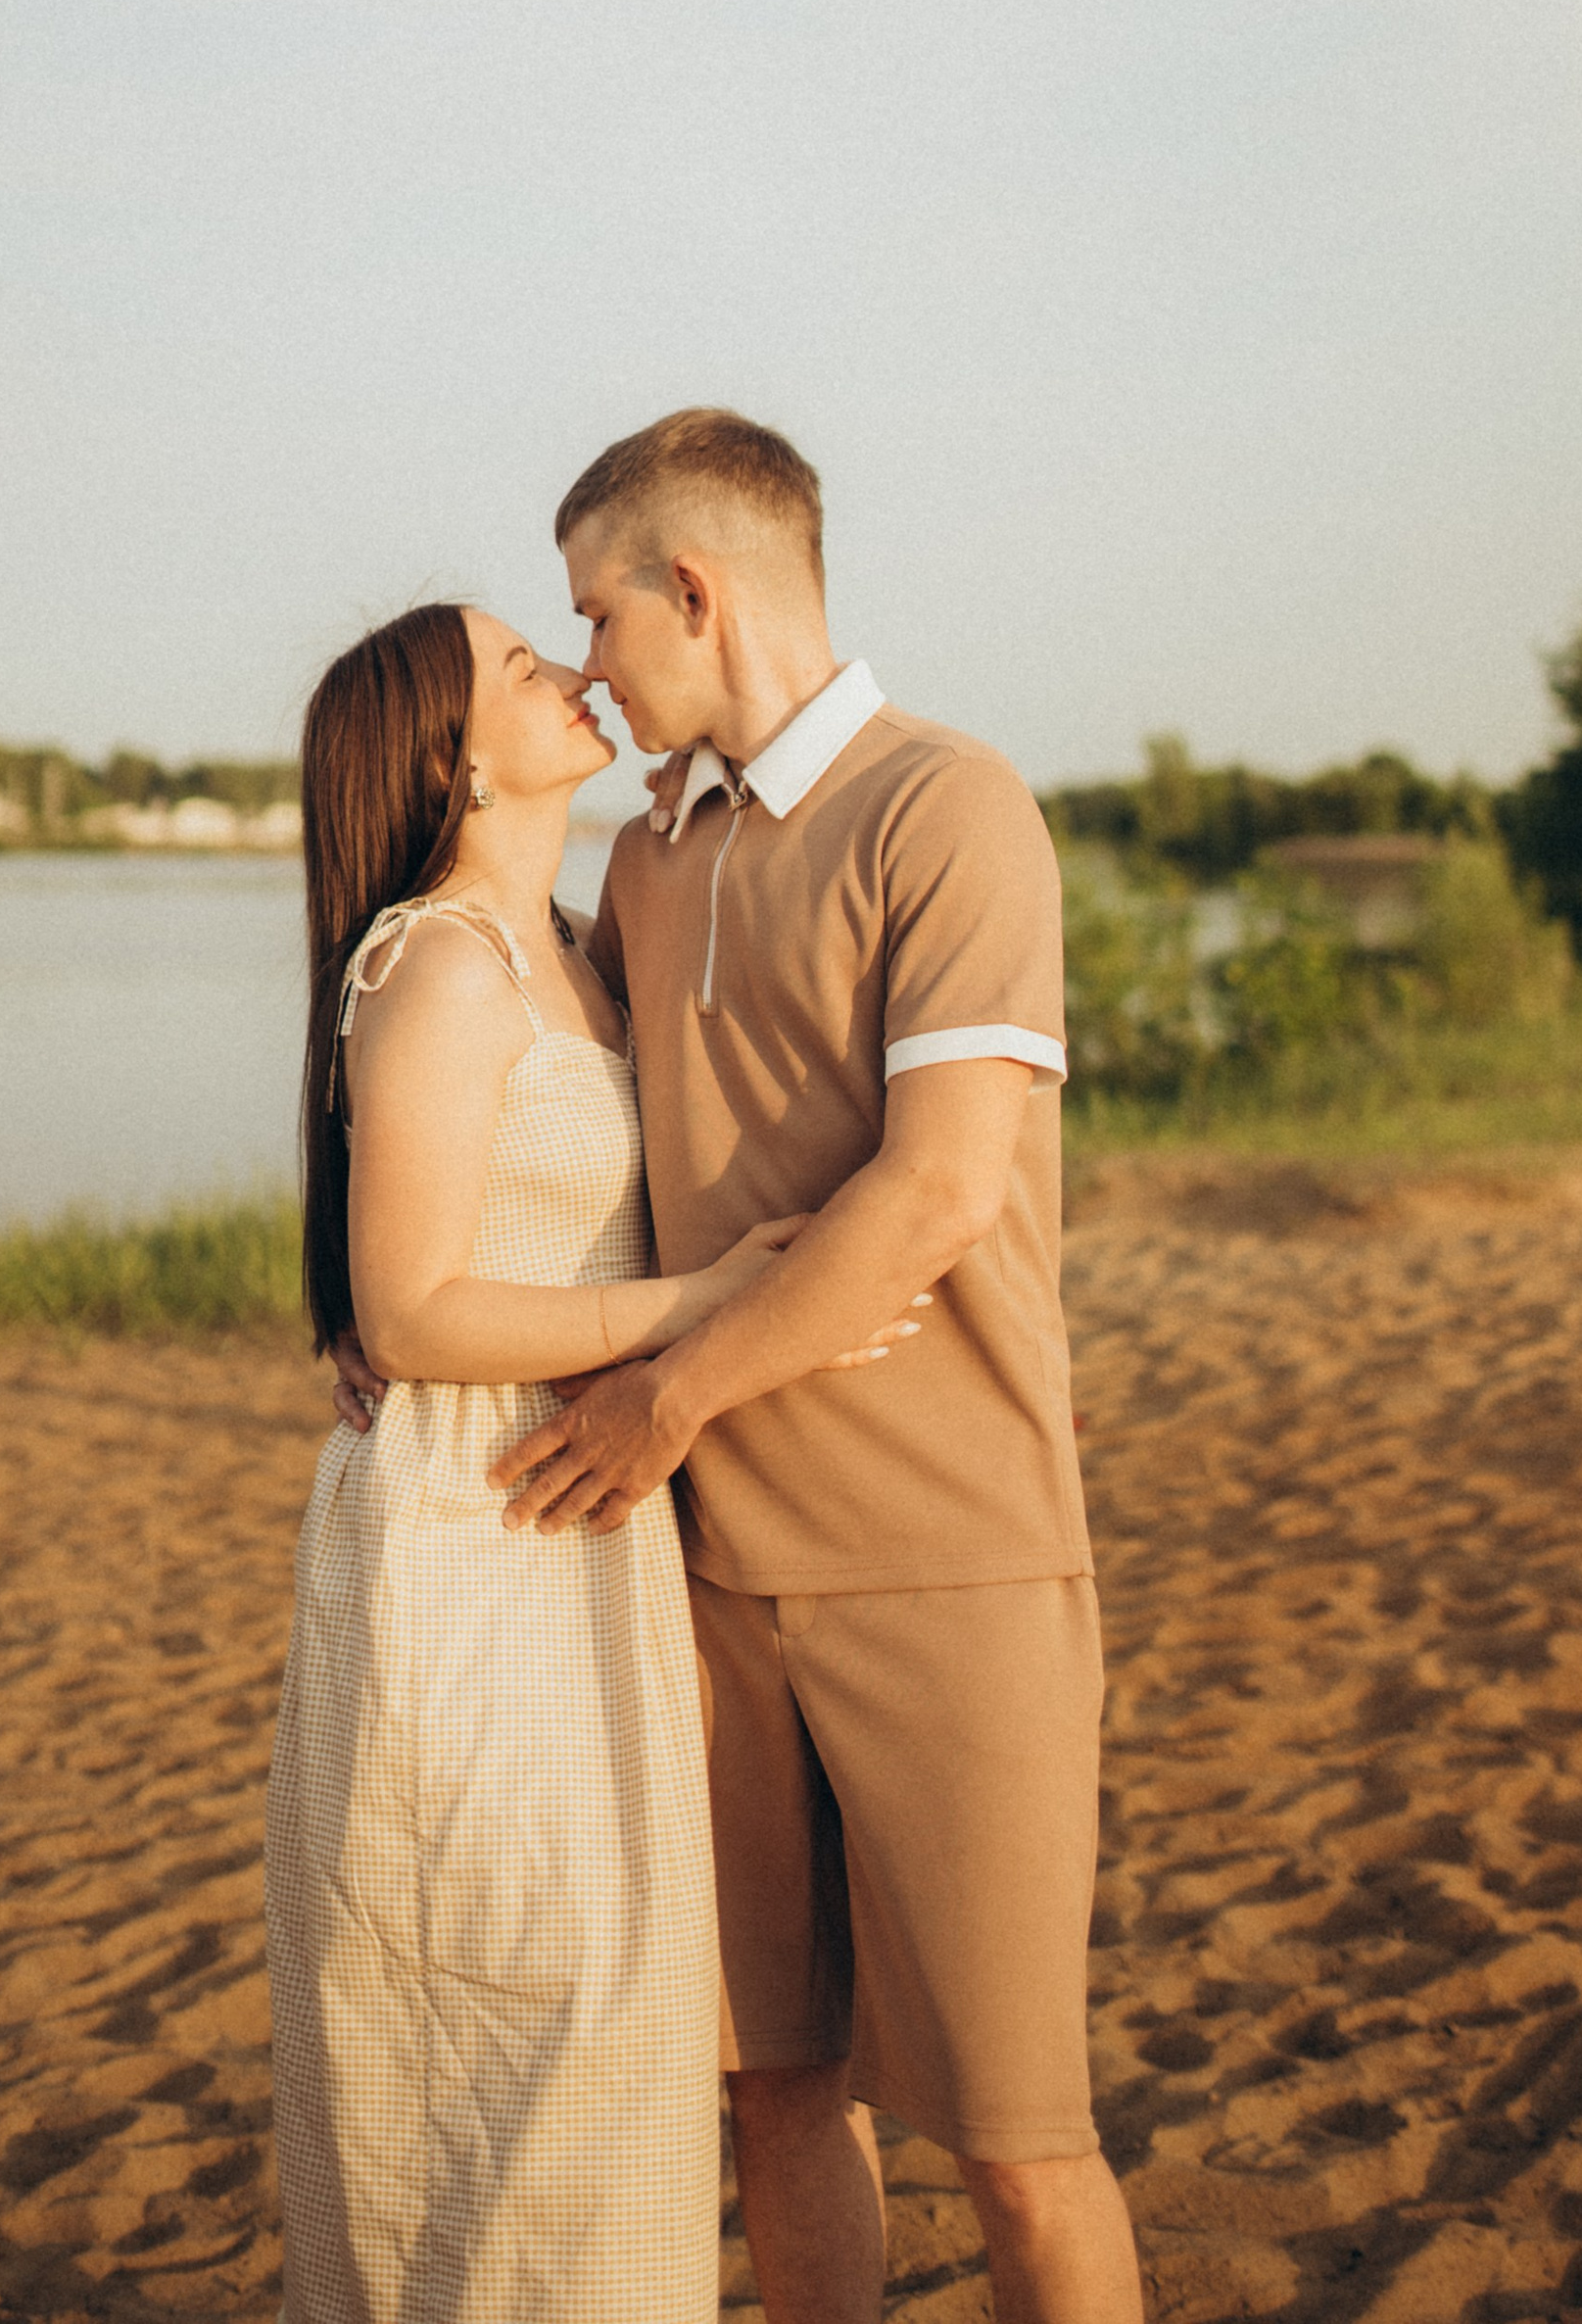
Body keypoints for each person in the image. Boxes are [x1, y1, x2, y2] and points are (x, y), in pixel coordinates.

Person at [342, 411, 1144, 2324]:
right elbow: (520, 1127)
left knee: (1019, 2141)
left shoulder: (946, 808)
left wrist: (664, 1396)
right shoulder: (640, 870)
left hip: (943, 1563)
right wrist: (380, 1321)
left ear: (687, 589)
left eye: (593, 619)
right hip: (689, 1588)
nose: (589, 665)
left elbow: (939, 1188)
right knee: (775, 2093)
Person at [266, 597, 917, 2324]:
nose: (575, 673)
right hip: (467, 1540)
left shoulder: (575, 937)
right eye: (521, 666)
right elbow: (408, 1317)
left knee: (616, 2025)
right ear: (452, 756)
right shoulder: (429, 963)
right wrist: (696, 1302)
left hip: (591, 1538)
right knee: (499, 2007)